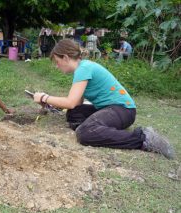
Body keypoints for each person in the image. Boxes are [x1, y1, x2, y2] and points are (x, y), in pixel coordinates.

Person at [33, 39, 175, 159]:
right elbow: (76, 103)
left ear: (65, 57)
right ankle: (99, 129)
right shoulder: (82, 68)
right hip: (111, 109)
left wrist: (45, 97)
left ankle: (143, 138)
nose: (57, 66)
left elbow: (70, 102)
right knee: (74, 114)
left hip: (123, 110)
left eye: (57, 62)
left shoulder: (83, 69)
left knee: (84, 134)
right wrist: (50, 103)